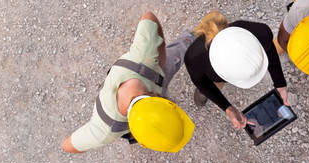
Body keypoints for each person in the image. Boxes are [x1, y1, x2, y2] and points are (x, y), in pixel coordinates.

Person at [61, 11, 196, 153]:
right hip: (153, 75)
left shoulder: (102, 132)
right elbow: (149, 18)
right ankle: (195, 38)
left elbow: (67, 145)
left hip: (153, 70)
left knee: (173, 58)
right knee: (175, 57)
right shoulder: (104, 130)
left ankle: (195, 38)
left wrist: (160, 61)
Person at [184, 11, 289, 129]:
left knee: (210, 81)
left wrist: (280, 84)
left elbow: (269, 49)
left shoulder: (261, 33)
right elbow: (203, 84)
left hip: (213, 71)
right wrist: (227, 107)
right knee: (209, 85)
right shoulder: (194, 58)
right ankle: (208, 90)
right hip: (209, 72)